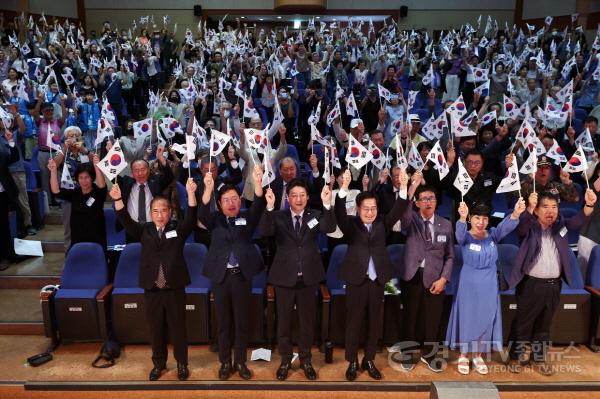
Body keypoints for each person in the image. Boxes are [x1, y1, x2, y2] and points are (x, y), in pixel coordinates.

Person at [110, 177, 198, 381]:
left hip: (174, 286)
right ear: (150, 213)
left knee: (178, 328)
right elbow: (125, 220)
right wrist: (117, 200)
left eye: (164, 211)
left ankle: (182, 364)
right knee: (155, 327)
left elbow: (192, 218)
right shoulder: (144, 230)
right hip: (152, 287)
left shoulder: (178, 229)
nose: (160, 215)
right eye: (156, 211)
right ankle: (159, 364)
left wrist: (191, 194)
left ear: (170, 212)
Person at [506, 190, 597, 376]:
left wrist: (588, 205)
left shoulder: (560, 226)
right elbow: (521, 226)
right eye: (545, 206)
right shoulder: (529, 227)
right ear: (537, 210)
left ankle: (538, 358)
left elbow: (577, 222)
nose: (551, 211)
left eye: (554, 207)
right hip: (530, 284)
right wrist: (529, 208)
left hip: (554, 285)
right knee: (523, 323)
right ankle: (515, 356)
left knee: (544, 325)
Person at [335, 169, 410, 381]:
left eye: (373, 208)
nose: (370, 212)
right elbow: (339, 213)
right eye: (366, 209)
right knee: (354, 322)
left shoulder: (382, 223)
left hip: (378, 281)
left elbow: (398, 209)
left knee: (374, 322)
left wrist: (403, 187)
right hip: (356, 280)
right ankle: (352, 361)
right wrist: (343, 188)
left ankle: (369, 359)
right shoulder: (350, 225)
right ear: (358, 209)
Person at [260, 179, 336, 381]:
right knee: (283, 322)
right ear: (287, 197)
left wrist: (327, 204)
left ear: (308, 197)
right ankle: (285, 360)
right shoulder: (278, 216)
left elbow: (329, 228)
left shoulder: (316, 215)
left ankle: (306, 360)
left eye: (302, 195)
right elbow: (265, 230)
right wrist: (268, 206)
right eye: (294, 195)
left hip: (308, 278)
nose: (299, 199)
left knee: (306, 323)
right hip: (284, 278)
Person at [198, 166, 266, 381]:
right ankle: (225, 362)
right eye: (226, 199)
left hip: (241, 277)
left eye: (235, 198)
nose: (231, 202)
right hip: (221, 278)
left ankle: (241, 362)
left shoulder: (246, 219)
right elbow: (201, 213)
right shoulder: (215, 221)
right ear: (219, 204)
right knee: (224, 323)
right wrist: (208, 189)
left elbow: (258, 205)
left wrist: (257, 182)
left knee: (241, 322)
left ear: (240, 200)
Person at [446, 199, 526, 375]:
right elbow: (458, 235)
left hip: (489, 283)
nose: (481, 222)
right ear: (470, 219)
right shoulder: (465, 236)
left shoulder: (493, 235)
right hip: (469, 282)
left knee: (486, 317)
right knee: (468, 317)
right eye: (476, 218)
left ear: (488, 220)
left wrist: (516, 213)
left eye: (484, 219)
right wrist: (461, 217)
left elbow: (507, 226)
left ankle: (478, 355)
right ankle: (464, 355)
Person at [397, 176, 454, 373]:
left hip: (435, 279)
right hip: (412, 275)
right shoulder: (410, 219)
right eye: (424, 199)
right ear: (417, 202)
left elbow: (450, 256)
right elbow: (402, 213)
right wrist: (411, 188)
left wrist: (444, 278)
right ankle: (406, 354)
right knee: (409, 318)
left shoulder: (445, 225)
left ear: (437, 201)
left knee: (433, 320)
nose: (428, 202)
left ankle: (430, 355)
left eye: (431, 198)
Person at [47, 154, 107, 251]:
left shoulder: (98, 192)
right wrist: (53, 171)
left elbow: (102, 186)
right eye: (81, 178)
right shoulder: (75, 193)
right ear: (77, 179)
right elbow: (55, 191)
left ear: (92, 178)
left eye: (87, 177)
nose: (84, 181)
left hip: (97, 239)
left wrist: (97, 166)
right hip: (77, 239)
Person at [115, 147, 174, 242]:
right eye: (136, 170)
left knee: (154, 255)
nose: (140, 173)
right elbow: (112, 175)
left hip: (154, 227)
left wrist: (161, 158)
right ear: (132, 173)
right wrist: (110, 154)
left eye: (143, 169)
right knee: (133, 253)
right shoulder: (126, 183)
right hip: (132, 227)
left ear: (149, 170)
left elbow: (169, 177)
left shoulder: (156, 181)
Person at [0, 129, 25, 270]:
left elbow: (14, 157)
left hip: (3, 194)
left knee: (4, 226)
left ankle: (9, 255)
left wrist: (10, 141)